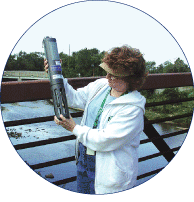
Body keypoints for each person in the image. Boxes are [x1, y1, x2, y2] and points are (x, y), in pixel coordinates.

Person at [44, 45, 147, 194]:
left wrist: (74, 127)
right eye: (107, 72)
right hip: (84, 157)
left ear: (131, 78)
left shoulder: (133, 108)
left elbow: (106, 139)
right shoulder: (101, 86)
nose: (107, 77)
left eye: (114, 75)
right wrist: (56, 75)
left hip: (109, 169)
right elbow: (74, 98)